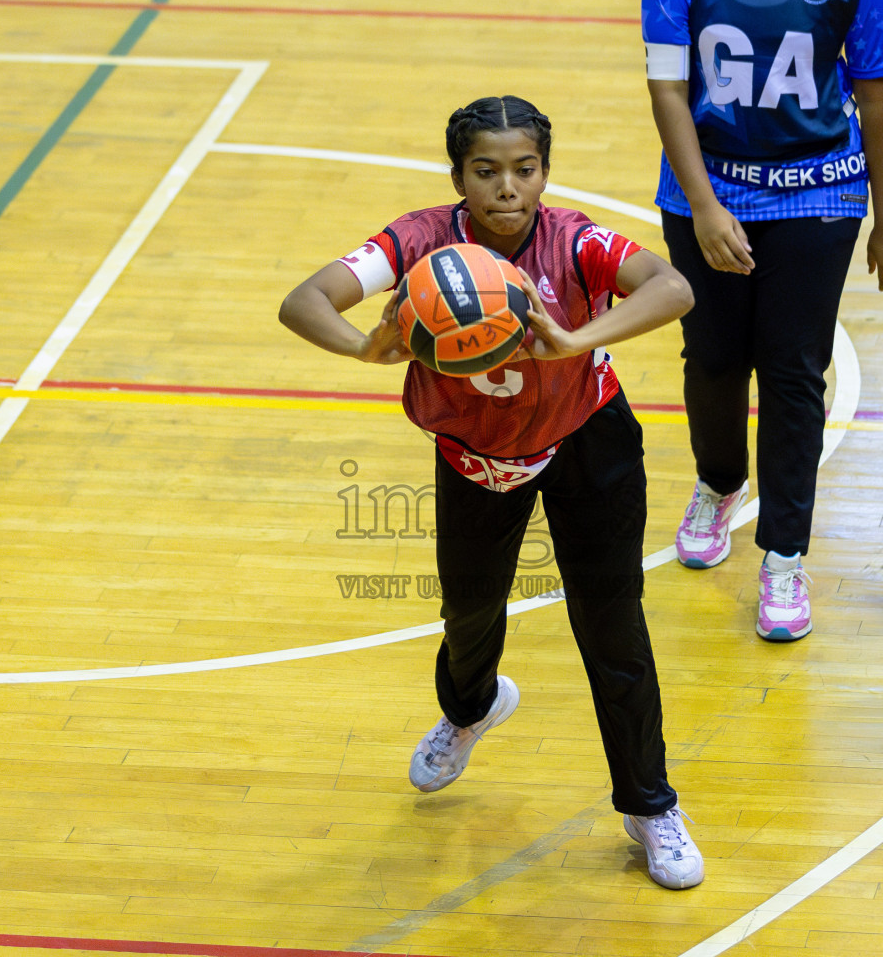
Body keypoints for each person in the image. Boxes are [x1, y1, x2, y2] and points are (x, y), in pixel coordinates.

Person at [278, 96, 705, 889]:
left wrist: (576, 340)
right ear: (458, 177)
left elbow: (672, 288)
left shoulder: (575, 240)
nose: (507, 187)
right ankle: (470, 710)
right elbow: (303, 300)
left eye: (524, 169)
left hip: (588, 442)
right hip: (475, 456)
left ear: (544, 172)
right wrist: (367, 348)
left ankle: (650, 805)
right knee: (468, 617)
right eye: (487, 171)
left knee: (611, 625)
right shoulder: (417, 243)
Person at [642, 0, 883, 642]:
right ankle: (720, 481)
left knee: (794, 372)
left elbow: (876, 94)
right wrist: (704, 206)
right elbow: (668, 86)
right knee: (713, 358)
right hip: (711, 187)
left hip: (818, 192)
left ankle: (785, 554)